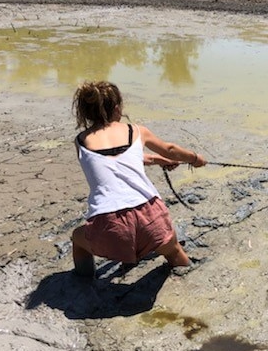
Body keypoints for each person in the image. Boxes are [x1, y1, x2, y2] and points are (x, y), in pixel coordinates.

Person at [70, 80, 206, 278]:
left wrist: (155, 160)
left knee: (77, 238)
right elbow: (169, 149)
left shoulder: (81, 141)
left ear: (86, 113)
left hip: (109, 227)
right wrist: (195, 158)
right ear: (117, 108)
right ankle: (189, 274)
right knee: (173, 250)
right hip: (151, 217)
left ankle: (84, 283)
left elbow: (111, 162)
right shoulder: (136, 131)